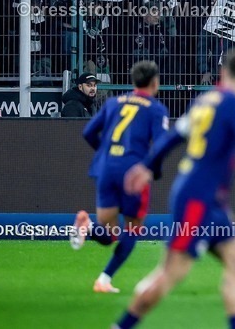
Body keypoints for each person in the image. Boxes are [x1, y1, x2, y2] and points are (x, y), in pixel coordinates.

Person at [113, 48, 235, 329]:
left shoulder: (205, 100)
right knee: (171, 273)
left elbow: (175, 135)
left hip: (212, 201)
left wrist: (148, 166)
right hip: (197, 200)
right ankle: (121, 326)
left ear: (222, 73)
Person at [70, 61, 168, 294]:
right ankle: (104, 280)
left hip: (106, 168)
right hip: (132, 171)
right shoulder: (155, 108)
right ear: (155, 83)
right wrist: (154, 170)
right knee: (133, 228)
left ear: (134, 82)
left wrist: (106, 153)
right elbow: (162, 144)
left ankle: (88, 226)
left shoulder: (114, 102)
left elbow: (88, 132)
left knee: (109, 233)